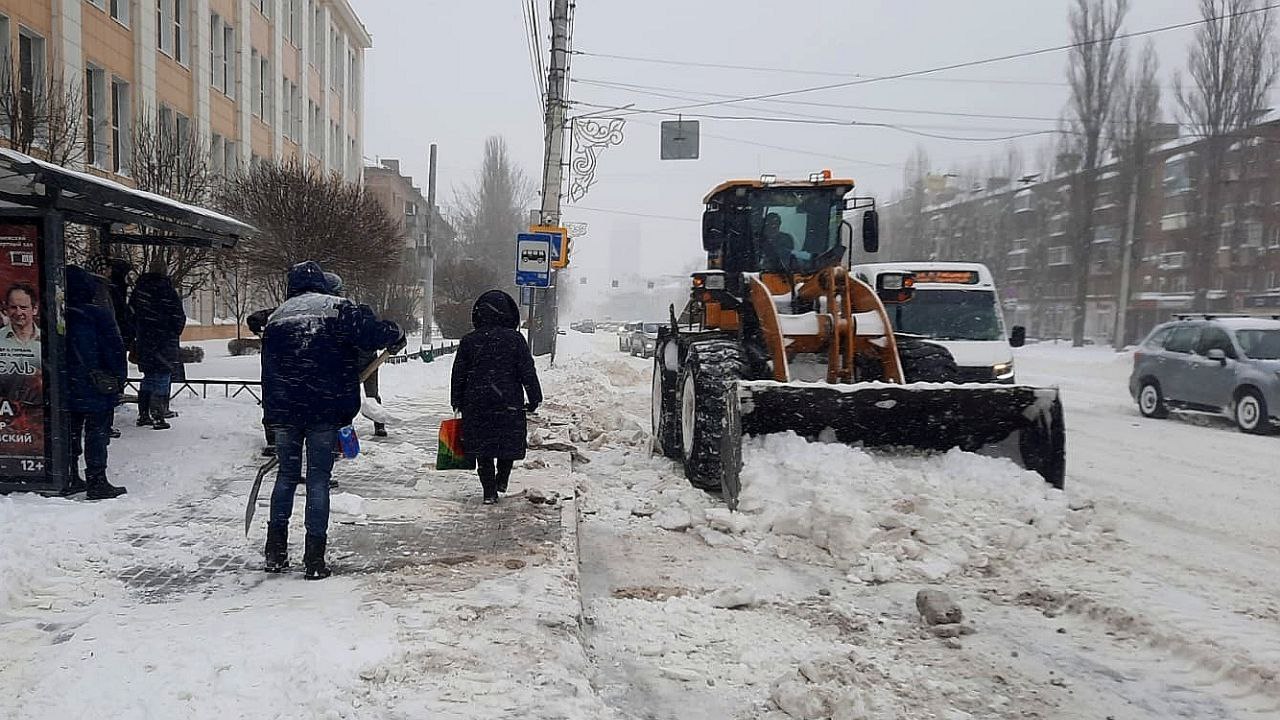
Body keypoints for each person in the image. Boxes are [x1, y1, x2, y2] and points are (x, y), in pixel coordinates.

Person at [260, 261, 403, 579]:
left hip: (284, 412)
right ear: (322, 284)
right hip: (324, 409)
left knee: (285, 477)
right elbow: (373, 334)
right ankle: (314, 560)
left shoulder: (277, 317)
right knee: (318, 480)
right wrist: (395, 333)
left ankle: (275, 552)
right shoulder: (339, 309)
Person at [450, 290, 543, 505]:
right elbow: (527, 371)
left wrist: (456, 400)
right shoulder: (516, 340)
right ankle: (502, 479)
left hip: (477, 402)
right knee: (506, 443)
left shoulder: (469, 341)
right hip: (508, 401)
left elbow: (459, 374)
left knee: (483, 448)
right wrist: (535, 396)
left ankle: (489, 491)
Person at [63, 266, 128, 499]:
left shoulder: (55, 314)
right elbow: (114, 349)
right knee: (97, 433)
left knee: (69, 431)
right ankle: (96, 480)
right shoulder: (97, 315)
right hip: (95, 384)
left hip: (64, 384)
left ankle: (69, 474)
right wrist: (119, 378)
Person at [129, 268, 186, 430]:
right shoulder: (168, 293)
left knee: (149, 377)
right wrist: (171, 330)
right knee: (162, 376)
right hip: (164, 342)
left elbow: (131, 316)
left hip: (144, 342)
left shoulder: (139, 293)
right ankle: (158, 415)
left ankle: (143, 414)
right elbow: (178, 318)